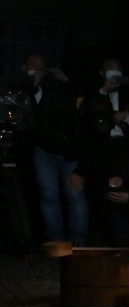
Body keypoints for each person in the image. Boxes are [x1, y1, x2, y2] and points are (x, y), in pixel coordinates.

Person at [21, 54, 89, 246]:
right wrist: (32, 86)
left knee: (74, 194)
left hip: (70, 152)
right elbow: (19, 115)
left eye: (41, 69)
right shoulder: (23, 91)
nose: (38, 72)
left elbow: (82, 100)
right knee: (49, 195)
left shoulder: (61, 89)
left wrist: (64, 80)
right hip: (44, 152)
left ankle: (78, 242)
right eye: (32, 68)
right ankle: (56, 241)